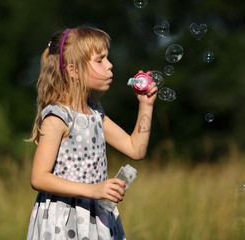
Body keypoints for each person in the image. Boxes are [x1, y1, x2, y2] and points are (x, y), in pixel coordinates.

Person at [26, 25, 157, 240]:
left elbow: (136, 149)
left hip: (96, 219)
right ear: (73, 71)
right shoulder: (57, 117)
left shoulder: (96, 114)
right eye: (100, 60)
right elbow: (38, 178)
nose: (109, 65)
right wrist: (94, 190)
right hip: (62, 222)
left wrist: (146, 106)